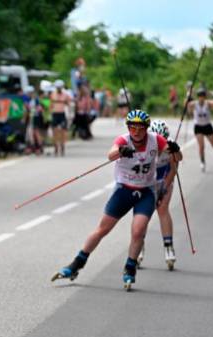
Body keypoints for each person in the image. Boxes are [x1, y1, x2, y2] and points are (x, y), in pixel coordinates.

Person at [52, 109, 182, 290]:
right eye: (132, 128)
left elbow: (176, 157)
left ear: (146, 128)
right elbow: (111, 154)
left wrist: (176, 150)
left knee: (138, 231)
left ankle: (130, 268)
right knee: (102, 229)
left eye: (140, 128)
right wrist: (122, 151)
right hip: (124, 191)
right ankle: (76, 264)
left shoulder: (155, 140)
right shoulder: (124, 140)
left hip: (146, 192)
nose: (136, 132)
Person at [136, 120, 179, 270]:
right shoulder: (145, 144)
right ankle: (139, 247)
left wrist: (164, 188)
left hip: (164, 179)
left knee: (162, 208)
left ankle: (169, 247)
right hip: (147, 181)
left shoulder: (170, 145)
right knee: (143, 213)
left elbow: (174, 169)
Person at [50, 80, 71, 156]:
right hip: (55, 114)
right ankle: (56, 147)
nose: (59, 89)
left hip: (62, 114)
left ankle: (62, 147)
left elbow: (69, 105)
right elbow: (51, 105)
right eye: (57, 87)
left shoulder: (66, 95)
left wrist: (69, 115)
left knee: (62, 131)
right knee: (55, 131)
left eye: (60, 87)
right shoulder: (52, 94)